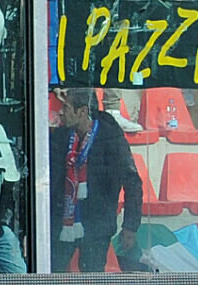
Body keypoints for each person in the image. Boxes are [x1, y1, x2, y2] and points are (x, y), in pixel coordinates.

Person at [52, 89, 146, 274]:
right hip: (61, 225)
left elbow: (132, 181)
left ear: (82, 111)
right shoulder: (60, 137)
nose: (61, 112)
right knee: (54, 278)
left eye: (66, 107)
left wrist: (130, 226)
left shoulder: (110, 137)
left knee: (92, 280)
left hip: (97, 227)